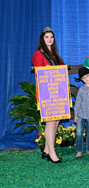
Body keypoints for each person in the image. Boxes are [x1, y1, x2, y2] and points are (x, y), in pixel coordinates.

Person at [32, 27, 64, 163]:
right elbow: (38, 72)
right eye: (47, 37)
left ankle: (46, 150)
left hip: (57, 92)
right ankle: (52, 153)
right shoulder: (38, 54)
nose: (49, 39)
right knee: (51, 122)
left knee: (56, 121)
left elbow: (62, 70)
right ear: (42, 39)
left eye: (51, 37)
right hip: (46, 93)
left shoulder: (55, 55)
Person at [74, 67, 89, 158]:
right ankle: (79, 151)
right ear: (81, 80)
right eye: (83, 78)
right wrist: (76, 114)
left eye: (87, 76)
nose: (86, 79)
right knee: (79, 132)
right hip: (81, 114)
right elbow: (78, 102)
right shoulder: (81, 89)